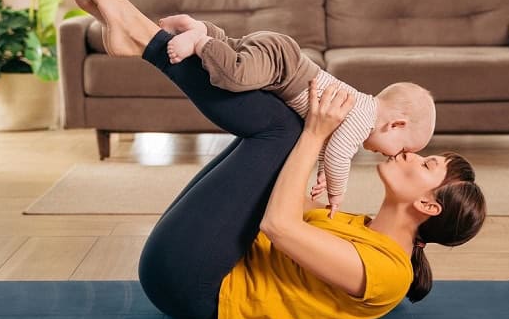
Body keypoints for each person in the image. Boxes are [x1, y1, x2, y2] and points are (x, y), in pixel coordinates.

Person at [67, 0, 486, 319]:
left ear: (429, 206)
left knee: (290, 131)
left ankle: (146, 39)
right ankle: (144, 35)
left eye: (427, 162)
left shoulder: (389, 274)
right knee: (287, 125)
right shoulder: (362, 225)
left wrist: (315, 137)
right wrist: (312, 151)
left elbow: (278, 226)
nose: (410, 155)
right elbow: (278, 194)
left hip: (197, 288)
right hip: (200, 261)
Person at [156, 14, 436, 218]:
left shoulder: (360, 111)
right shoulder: (364, 119)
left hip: (280, 57)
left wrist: (325, 174)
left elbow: (331, 144)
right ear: (396, 124)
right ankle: (200, 40)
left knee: (235, 53)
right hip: (282, 65)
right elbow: (340, 154)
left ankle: (201, 28)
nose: (393, 156)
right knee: (233, 76)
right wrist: (337, 192)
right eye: (400, 149)